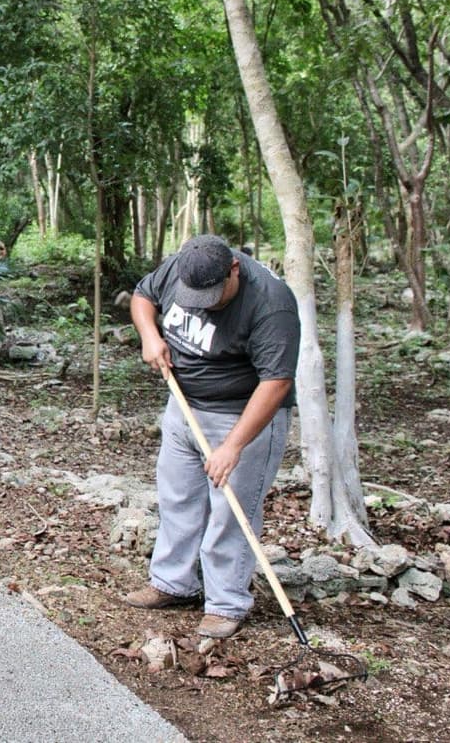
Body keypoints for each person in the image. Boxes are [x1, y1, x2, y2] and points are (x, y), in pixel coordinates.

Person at [126, 234, 299, 639]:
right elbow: (142, 297)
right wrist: (150, 336)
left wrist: (233, 446)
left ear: (233, 270)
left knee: (231, 513)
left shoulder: (272, 305)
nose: (202, 306)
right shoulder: (186, 264)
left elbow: (276, 382)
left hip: (241, 416)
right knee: (177, 497)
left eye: (213, 297)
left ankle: (225, 604)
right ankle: (173, 583)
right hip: (183, 403)